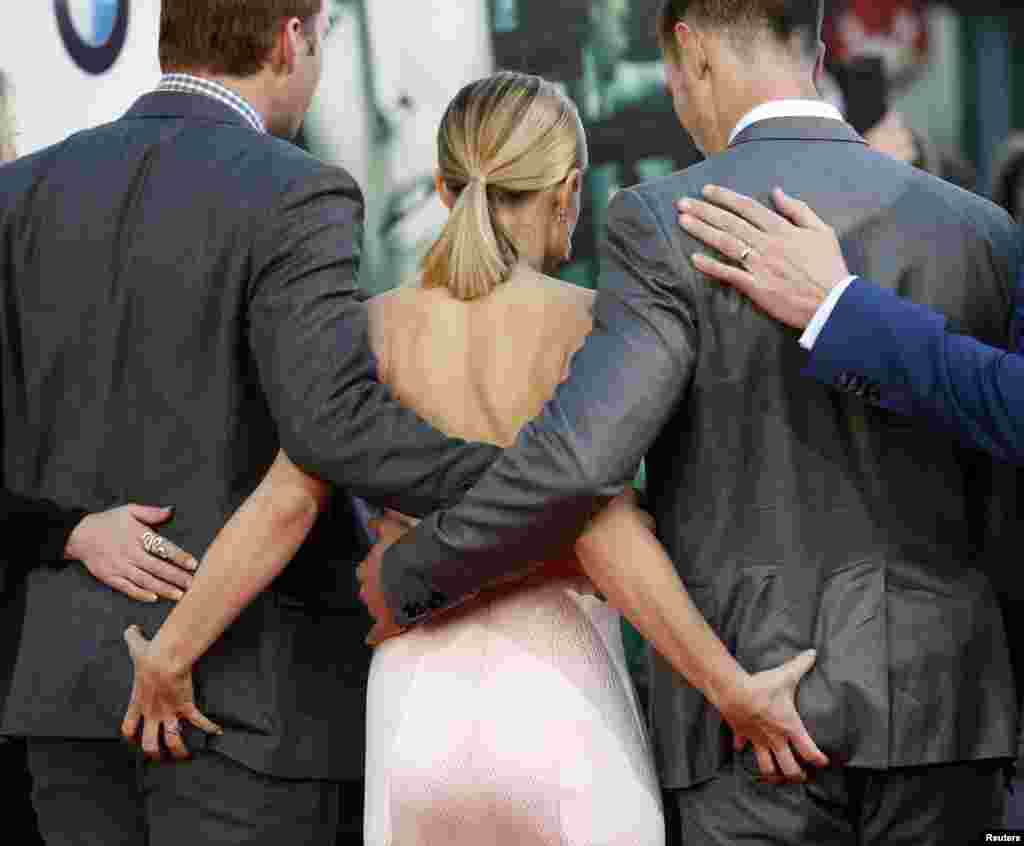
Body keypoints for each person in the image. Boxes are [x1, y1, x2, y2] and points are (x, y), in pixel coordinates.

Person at [353, 1, 1019, 844]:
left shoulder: (667, 222)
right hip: (948, 707)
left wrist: (414, 570)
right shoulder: (982, 231)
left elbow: (578, 466)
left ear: (694, 55)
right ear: (814, 53)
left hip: (747, 712)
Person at [121, 69, 823, 846]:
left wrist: (169, 654)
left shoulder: (372, 328)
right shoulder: (593, 327)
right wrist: (733, 691)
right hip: (563, 704)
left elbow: (283, 504)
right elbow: (604, 531)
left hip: (413, 719)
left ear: (443, 187)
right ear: (568, 190)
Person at [0, 0, 504, 843]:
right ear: (291, 37)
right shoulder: (294, 190)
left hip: (68, 701)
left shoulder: (22, 192)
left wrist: (65, 531)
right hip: (249, 705)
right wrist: (528, 473)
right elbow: (333, 426)